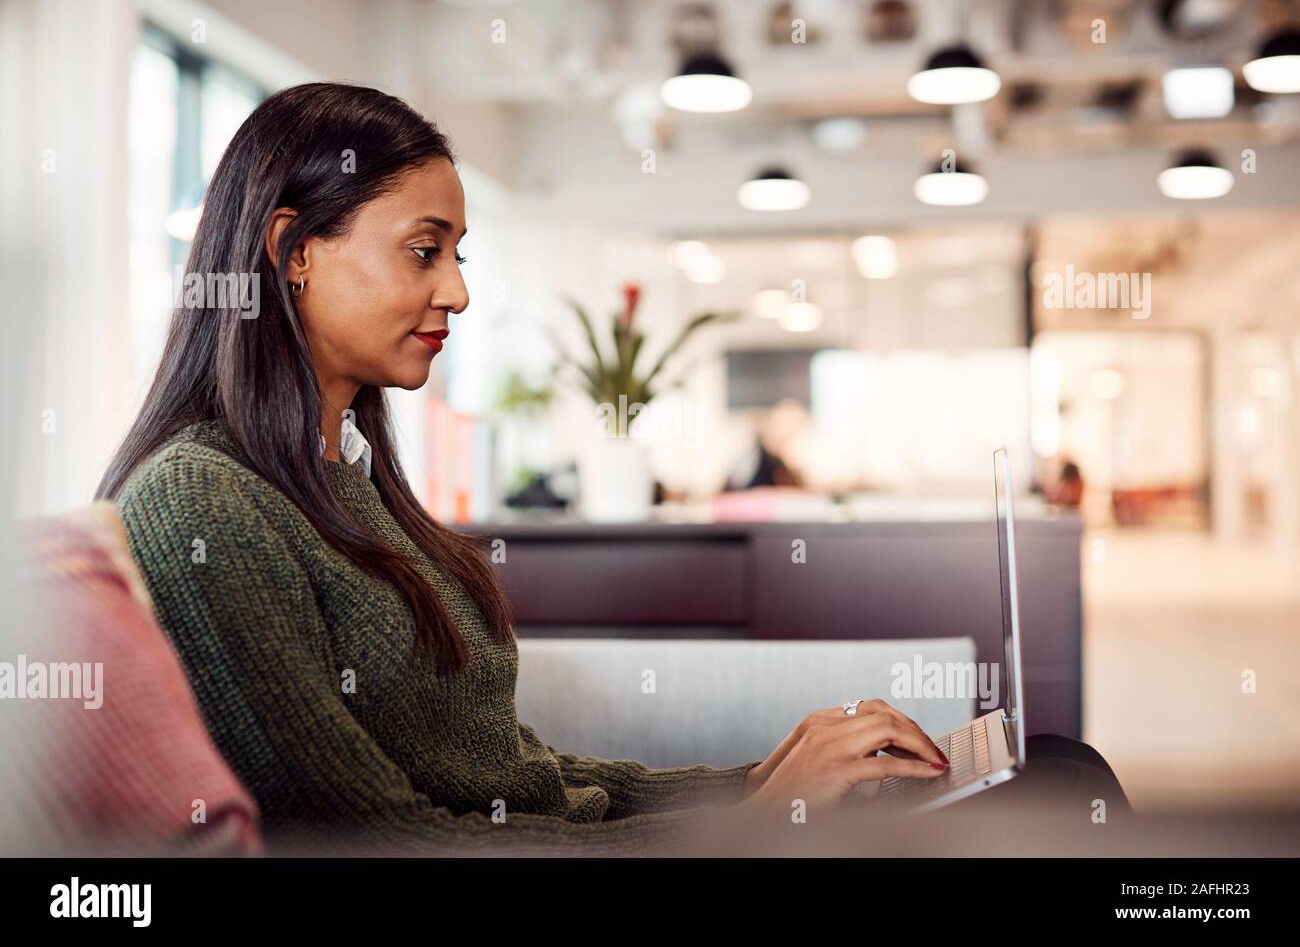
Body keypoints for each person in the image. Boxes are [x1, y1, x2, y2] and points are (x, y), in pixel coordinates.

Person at [98, 82, 1129, 856]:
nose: (456, 291)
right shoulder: (203, 501)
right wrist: (757, 819)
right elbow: (378, 837)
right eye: (426, 249)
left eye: (461, 254)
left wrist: (764, 775)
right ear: (293, 251)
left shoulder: (347, 477)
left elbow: (526, 776)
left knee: (1057, 765)